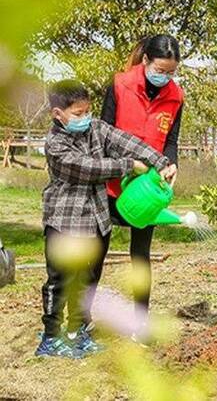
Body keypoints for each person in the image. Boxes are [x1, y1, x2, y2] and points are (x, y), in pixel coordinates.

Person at [36, 80, 172, 358]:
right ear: (57, 114)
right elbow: (88, 168)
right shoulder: (55, 144)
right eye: (77, 114)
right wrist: (127, 165)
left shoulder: (96, 128)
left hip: (96, 219)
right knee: (59, 280)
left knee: (86, 279)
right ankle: (50, 337)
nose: (84, 118)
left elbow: (126, 141)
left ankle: (77, 332)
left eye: (87, 111)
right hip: (64, 221)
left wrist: (160, 162)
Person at [99, 34, 182, 340]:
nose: (165, 78)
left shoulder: (176, 96)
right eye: (161, 70)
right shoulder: (120, 85)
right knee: (96, 252)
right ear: (146, 61)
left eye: (171, 72)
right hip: (112, 184)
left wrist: (170, 163)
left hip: (147, 189)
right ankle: (79, 322)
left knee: (141, 256)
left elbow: (171, 140)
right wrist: (125, 165)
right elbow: (103, 133)